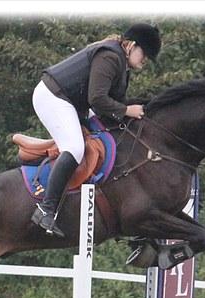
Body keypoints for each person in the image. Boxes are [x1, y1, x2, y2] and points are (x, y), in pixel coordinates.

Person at [30, 23, 162, 237]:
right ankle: (46, 208)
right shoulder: (111, 57)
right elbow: (98, 99)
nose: (145, 60)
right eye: (144, 53)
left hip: (72, 102)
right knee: (74, 148)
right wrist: (127, 110)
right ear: (132, 45)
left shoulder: (121, 64)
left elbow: (111, 106)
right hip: (52, 97)